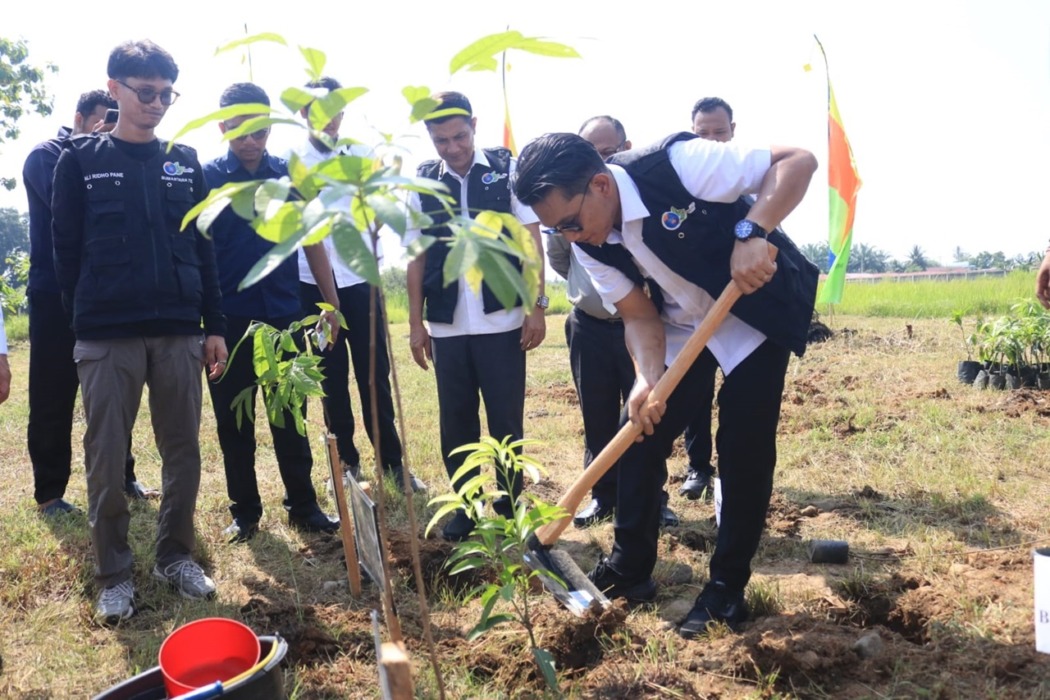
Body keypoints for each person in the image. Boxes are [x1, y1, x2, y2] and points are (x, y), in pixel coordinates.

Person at [512, 132, 818, 638]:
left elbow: (797, 160)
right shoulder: (588, 244)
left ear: (601, 186)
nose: (568, 236)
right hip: (682, 325)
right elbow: (638, 315)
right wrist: (646, 378)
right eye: (555, 229)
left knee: (742, 445)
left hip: (754, 311)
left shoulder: (678, 165)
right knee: (638, 433)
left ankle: (725, 588)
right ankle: (630, 568)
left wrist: (753, 231)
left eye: (570, 222)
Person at [51, 40, 227, 625]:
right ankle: (114, 573)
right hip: (107, 333)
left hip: (178, 330)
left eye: (165, 95)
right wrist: (83, 321)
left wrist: (214, 326)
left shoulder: (184, 161)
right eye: (145, 91)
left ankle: (175, 556)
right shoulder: (79, 161)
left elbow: (204, 250)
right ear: (115, 89)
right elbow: (65, 251)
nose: (155, 103)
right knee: (106, 457)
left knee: (183, 450)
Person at [204, 82, 342, 543]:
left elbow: (314, 242)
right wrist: (203, 324)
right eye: (239, 130)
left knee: (291, 416)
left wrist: (330, 304)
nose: (250, 140)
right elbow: (197, 253)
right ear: (222, 127)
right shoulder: (207, 179)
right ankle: (245, 512)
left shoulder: (289, 175)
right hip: (228, 325)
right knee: (234, 422)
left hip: (284, 318)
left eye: (259, 131)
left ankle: (304, 506)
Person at [405, 91, 546, 541]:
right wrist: (415, 324)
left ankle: (507, 505)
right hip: (447, 325)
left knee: (506, 419)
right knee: (456, 421)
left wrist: (536, 306)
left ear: (474, 126)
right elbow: (416, 257)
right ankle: (466, 506)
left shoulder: (507, 171)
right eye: (441, 140)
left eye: (459, 136)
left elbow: (530, 241)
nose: (453, 148)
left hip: (502, 319)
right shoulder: (423, 184)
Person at [22, 89, 156, 517]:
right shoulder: (46, 156)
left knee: (116, 390)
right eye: (102, 121)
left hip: (103, 291)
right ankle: (49, 494)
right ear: (79, 118)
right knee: (53, 392)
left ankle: (124, 476)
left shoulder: (116, 158)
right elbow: (76, 209)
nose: (108, 131)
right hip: (54, 294)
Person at [291, 76, 426, 495]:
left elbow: (381, 209)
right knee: (330, 376)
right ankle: (345, 464)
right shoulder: (293, 163)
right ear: (303, 113)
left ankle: (393, 463)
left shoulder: (362, 155)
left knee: (375, 374)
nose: (328, 119)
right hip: (313, 287)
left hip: (362, 281)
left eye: (335, 110)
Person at [547, 115, 679, 529]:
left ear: (626, 148)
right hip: (589, 324)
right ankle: (603, 496)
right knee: (597, 415)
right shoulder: (567, 214)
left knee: (647, 413)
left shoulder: (643, 202)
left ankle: (653, 499)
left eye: (608, 152)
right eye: (591, 153)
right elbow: (559, 258)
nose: (599, 162)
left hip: (639, 327)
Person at [674, 96, 743, 499]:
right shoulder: (682, 185)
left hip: (743, 313)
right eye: (704, 134)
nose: (713, 141)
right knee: (695, 393)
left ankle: (734, 477)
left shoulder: (749, 181)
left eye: (720, 132)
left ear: (734, 131)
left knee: (739, 398)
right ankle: (698, 467)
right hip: (696, 311)